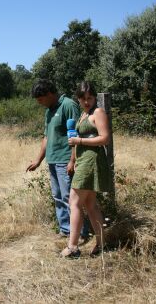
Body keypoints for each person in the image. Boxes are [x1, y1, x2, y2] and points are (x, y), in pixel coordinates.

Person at [26, 79, 89, 239]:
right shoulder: (49, 110)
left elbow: (77, 133)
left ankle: (81, 233)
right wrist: (38, 160)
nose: (39, 103)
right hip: (53, 160)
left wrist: (72, 160)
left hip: (65, 160)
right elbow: (47, 137)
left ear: (50, 94)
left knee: (70, 197)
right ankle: (65, 229)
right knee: (58, 196)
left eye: (41, 99)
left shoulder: (68, 105)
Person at [61, 81, 112, 258]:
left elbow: (105, 138)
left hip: (92, 160)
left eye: (90, 98)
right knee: (90, 204)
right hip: (83, 161)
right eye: (83, 99)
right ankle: (102, 244)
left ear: (94, 98)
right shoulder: (84, 114)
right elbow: (76, 139)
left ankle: (73, 247)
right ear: (78, 99)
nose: (87, 102)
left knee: (74, 202)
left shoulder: (98, 112)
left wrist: (80, 142)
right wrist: (73, 159)